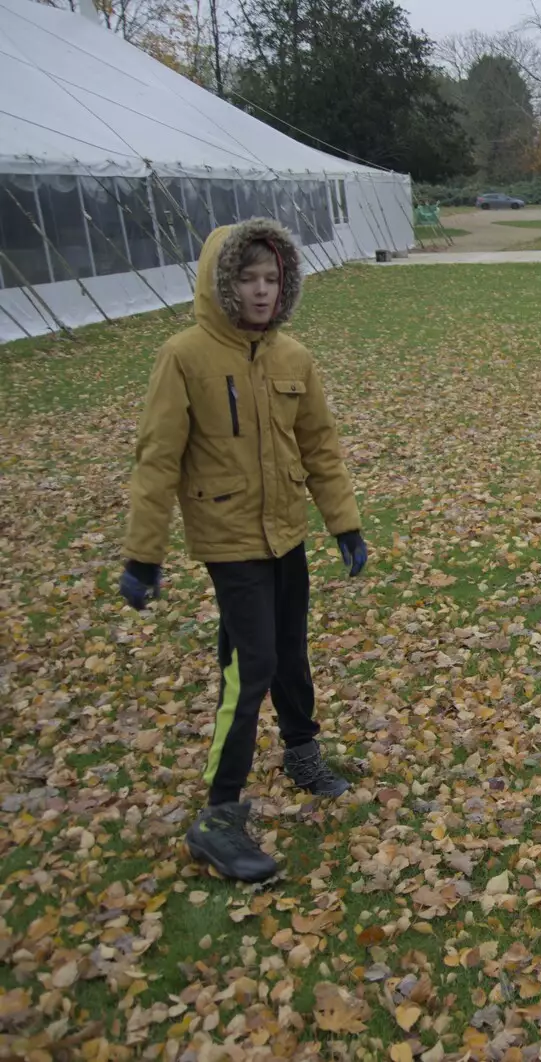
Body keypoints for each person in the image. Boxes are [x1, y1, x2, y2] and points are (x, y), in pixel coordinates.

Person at [120, 218, 368, 882]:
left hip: (285, 530)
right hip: (227, 540)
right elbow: (157, 460)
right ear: (222, 283)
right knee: (250, 664)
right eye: (247, 279)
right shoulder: (185, 356)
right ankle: (219, 815)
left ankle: (302, 751)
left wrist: (344, 525)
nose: (261, 292)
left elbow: (319, 447)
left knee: (288, 651)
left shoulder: (294, 359)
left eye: (271, 279)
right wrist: (143, 555)